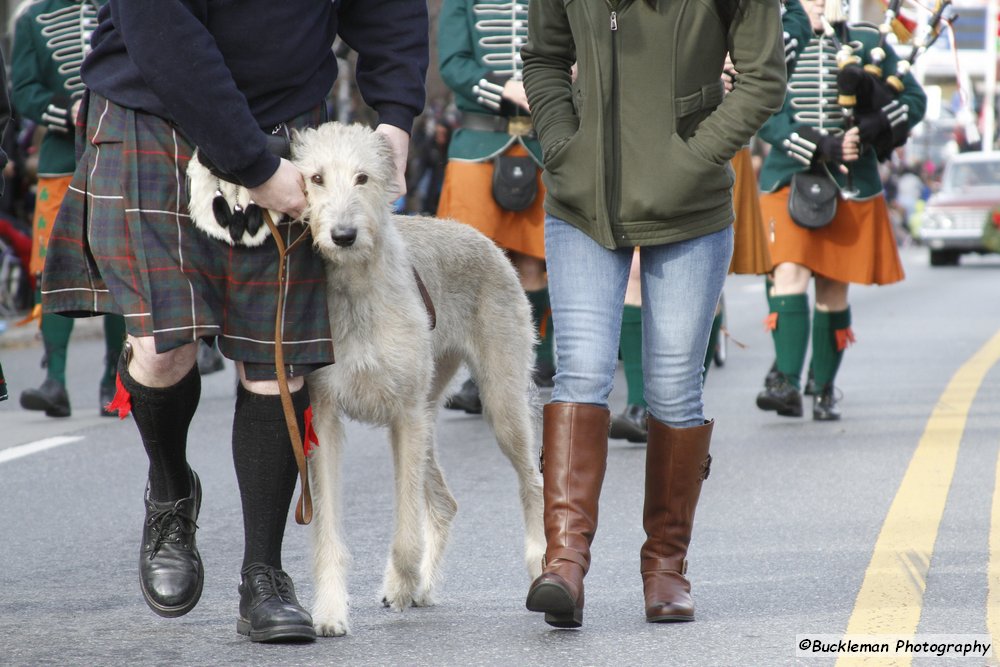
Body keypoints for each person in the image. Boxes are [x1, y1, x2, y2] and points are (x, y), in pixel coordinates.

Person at [40, 1, 428, 642]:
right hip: (151, 112)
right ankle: (170, 490)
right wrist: (253, 164)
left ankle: (264, 574)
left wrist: (397, 116)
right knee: (164, 349)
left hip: (286, 121)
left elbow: (387, 8)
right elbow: (159, 23)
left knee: (276, 355)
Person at [521, 0, 786, 628]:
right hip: (581, 203)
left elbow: (763, 78)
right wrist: (563, 144)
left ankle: (666, 568)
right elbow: (544, 57)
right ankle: (564, 564)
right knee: (580, 372)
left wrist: (693, 160)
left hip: (689, 208)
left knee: (672, 388)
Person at [608, 0, 813, 445]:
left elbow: (772, 55)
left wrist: (729, 56)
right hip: (642, 132)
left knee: (698, 279)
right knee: (639, 268)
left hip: (715, 138)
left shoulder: (793, 13)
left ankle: (678, 403)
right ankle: (641, 404)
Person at [754, 0, 925, 421]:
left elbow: (914, 101)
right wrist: (817, 143)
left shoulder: (868, 41)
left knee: (832, 287)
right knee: (788, 272)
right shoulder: (776, 40)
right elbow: (761, 109)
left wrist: (873, 128)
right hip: (787, 175)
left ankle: (824, 386)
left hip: (851, 182)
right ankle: (786, 383)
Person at [437, 0, 554, 414]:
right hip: (478, 144)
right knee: (465, 265)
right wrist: (504, 89)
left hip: (542, 143)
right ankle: (475, 370)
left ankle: (537, 359)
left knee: (535, 263)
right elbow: (453, 62)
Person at [10, 0, 125, 418]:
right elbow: (23, 91)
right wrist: (67, 112)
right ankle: (54, 380)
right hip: (60, 160)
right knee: (50, 267)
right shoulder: (32, 20)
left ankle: (116, 381)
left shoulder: (120, 9)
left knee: (117, 266)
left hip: (113, 154)